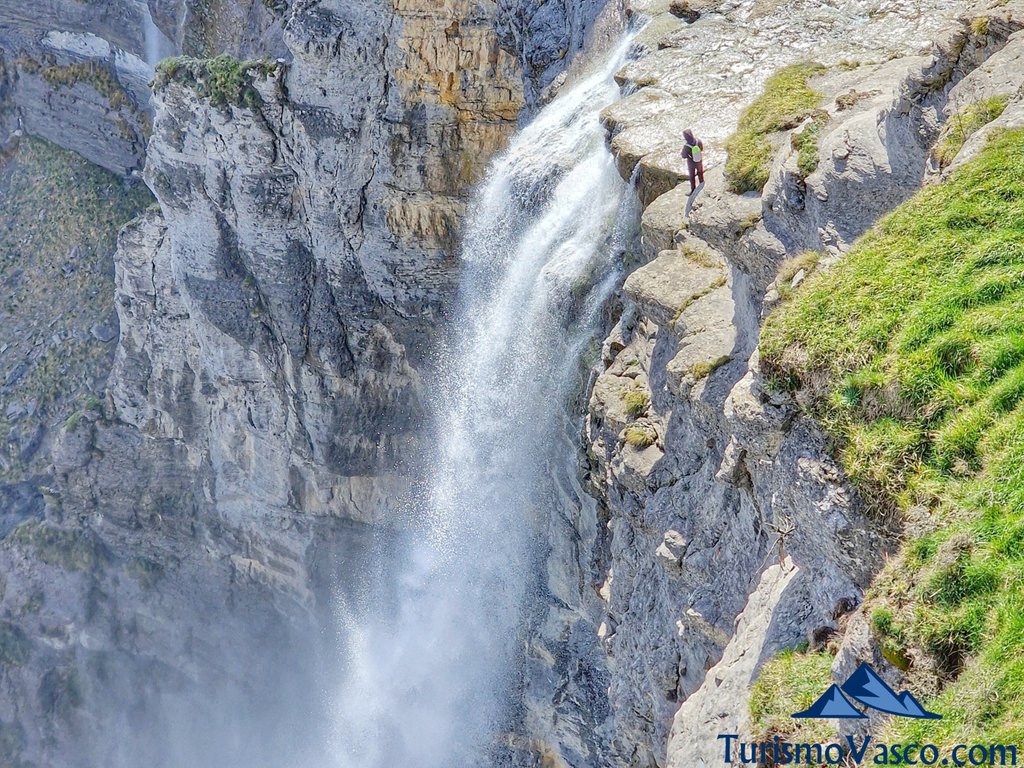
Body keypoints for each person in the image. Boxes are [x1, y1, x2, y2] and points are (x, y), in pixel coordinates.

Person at [682, 129, 705, 194]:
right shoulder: (698, 141)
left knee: (692, 176)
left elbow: (683, 156)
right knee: (700, 172)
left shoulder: (686, 146)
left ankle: (693, 190)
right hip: (699, 160)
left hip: (691, 162)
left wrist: (689, 156)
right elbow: (701, 149)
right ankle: (701, 183)